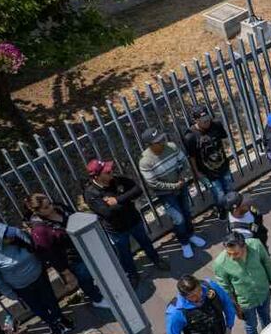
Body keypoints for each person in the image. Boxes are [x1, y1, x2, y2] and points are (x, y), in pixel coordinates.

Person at [0, 223, 73, 334]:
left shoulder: (17, 234)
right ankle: (52, 323)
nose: (11, 237)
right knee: (37, 307)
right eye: (7, 237)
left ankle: (60, 318)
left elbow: (34, 247)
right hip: (21, 287)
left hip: (39, 275)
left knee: (51, 299)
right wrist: (10, 294)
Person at [83, 158, 168, 285]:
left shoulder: (117, 180)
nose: (111, 172)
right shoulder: (91, 194)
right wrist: (127, 200)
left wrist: (118, 200)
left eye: (110, 170)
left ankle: (156, 260)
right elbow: (108, 213)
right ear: (97, 176)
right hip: (117, 229)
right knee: (124, 254)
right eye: (107, 172)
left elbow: (137, 190)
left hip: (134, 220)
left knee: (145, 242)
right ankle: (132, 274)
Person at [24, 194, 106, 309]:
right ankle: (97, 299)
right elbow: (49, 254)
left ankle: (101, 290)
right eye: (46, 207)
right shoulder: (40, 230)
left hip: (84, 246)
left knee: (95, 271)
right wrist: (65, 272)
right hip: (72, 258)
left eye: (50, 203)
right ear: (37, 211)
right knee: (85, 278)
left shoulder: (60, 208)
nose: (51, 208)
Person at [138, 128, 205, 259]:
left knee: (186, 212)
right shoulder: (145, 161)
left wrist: (182, 176)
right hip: (166, 193)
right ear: (150, 145)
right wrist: (173, 186)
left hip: (181, 186)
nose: (162, 142)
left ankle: (191, 235)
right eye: (158, 141)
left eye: (162, 139)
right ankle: (184, 242)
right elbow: (153, 183)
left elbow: (183, 162)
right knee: (178, 218)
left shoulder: (172, 147)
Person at [214, 232, 271, 334]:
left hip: (263, 292)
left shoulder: (256, 245)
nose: (232, 257)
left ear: (244, 246)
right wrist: (235, 307)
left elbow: (267, 262)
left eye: (235, 253)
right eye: (229, 253)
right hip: (245, 302)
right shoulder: (220, 263)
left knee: (265, 317)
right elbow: (225, 289)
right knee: (251, 326)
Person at [183, 105, 233, 220]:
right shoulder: (190, 136)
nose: (207, 123)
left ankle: (232, 211)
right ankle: (221, 210)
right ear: (196, 121)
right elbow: (192, 157)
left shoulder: (216, 125)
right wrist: (197, 173)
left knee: (229, 190)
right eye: (203, 121)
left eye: (208, 119)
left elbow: (223, 140)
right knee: (219, 195)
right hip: (208, 173)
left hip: (223, 166)